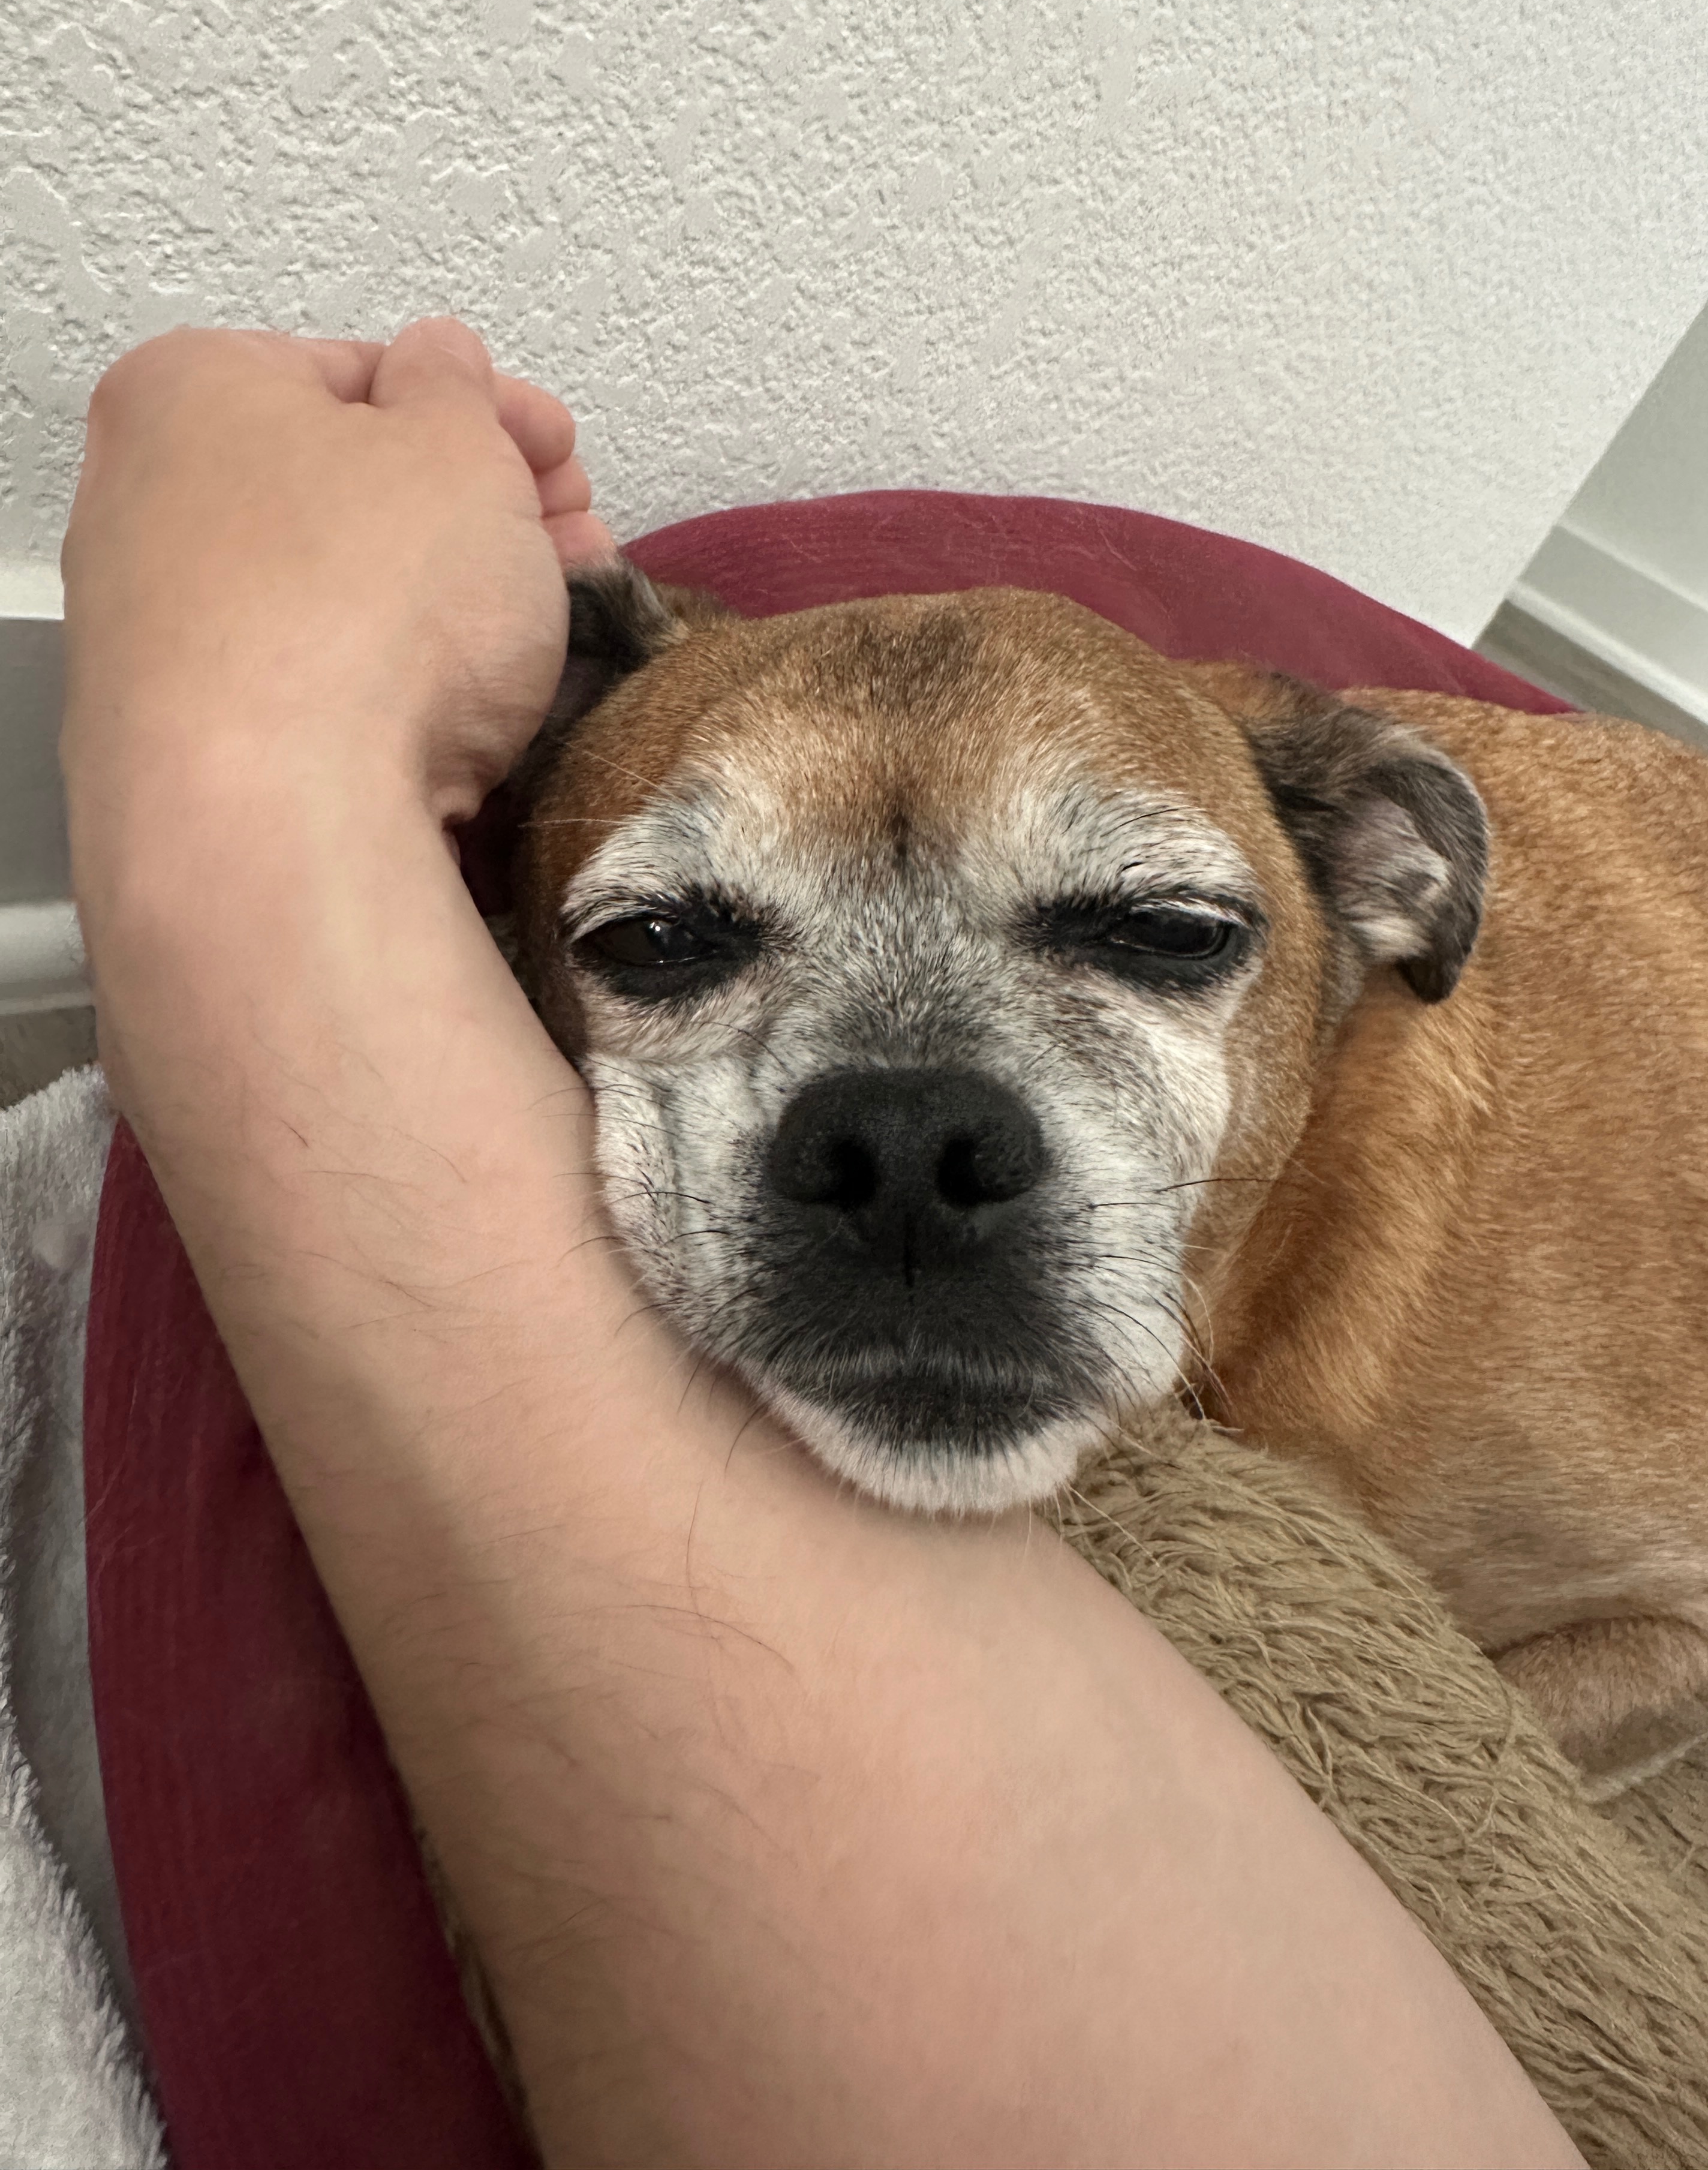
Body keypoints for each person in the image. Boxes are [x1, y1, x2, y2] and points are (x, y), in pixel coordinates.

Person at [58, 318, 1584, 2170]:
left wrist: (228, 776)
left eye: (1155, 933)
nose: (908, 1148)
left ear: (1385, 895)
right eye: (669, 942)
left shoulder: (1535, 1332)